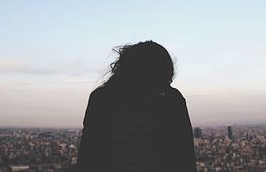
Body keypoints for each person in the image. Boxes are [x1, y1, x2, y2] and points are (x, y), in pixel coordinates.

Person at [76, 40, 197, 172]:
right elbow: (185, 157)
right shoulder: (172, 101)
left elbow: (88, 156)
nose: (166, 85)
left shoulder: (102, 100)